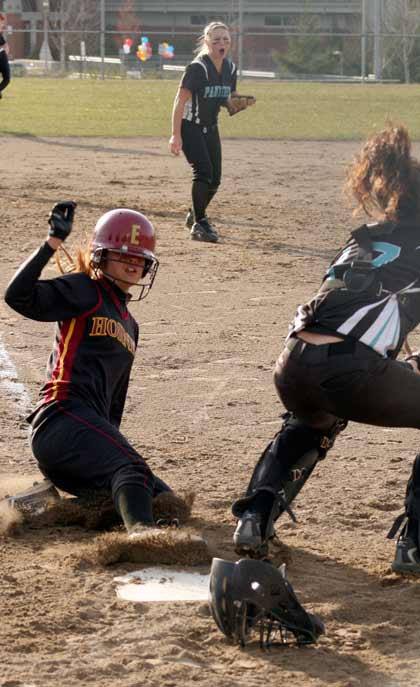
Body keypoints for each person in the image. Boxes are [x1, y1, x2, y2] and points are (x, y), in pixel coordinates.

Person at [232, 123, 420, 574]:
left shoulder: (364, 237)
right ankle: (415, 545)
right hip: (350, 370)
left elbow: (361, 303)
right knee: (339, 396)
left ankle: (255, 518)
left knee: (313, 419)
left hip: (293, 364)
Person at [4, 202, 175, 539]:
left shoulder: (131, 324)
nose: (132, 263)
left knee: (164, 501)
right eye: (122, 254)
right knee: (133, 470)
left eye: (139, 258)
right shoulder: (86, 289)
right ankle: (145, 540)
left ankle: (40, 507)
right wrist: (52, 242)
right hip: (61, 418)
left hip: (84, 437)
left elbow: (113, 403)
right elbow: (18, 296)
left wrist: (110, 447)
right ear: (101, 255)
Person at [169, 21, 255, 244]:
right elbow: (179, 102)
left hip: (211, 127)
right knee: (204, 172)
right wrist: (175, 135)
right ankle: (200, 222)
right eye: (216, 39)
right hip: (190, 127)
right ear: (206, 42)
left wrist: (237, 103)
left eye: (225, 39)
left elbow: (228, 98)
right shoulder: (197, 68)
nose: (221, 43)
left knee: (215, 179)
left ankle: (195, 214)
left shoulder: (230, 68)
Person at [0, 12, 10, 100]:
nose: (2, 25)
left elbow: (5, 44)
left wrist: (5, 52)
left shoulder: (0, 34)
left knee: (7, 78)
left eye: (2, 22)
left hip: (2, 55)